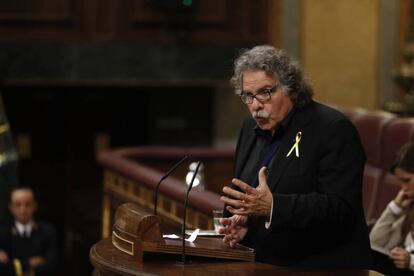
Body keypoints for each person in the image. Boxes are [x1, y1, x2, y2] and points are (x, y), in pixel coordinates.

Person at [219, 45, 372, 268]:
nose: (255, 106)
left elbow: (341, 208)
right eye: (248, 96)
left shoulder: (332, 129)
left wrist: (274, 206)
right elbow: (251, 199)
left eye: (265, 92)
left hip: (320, 266)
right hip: (265, 263)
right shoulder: (249, 128)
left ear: (290, 87)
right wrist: (246, 224)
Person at [370, 143, 414, 275]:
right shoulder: (409, 210)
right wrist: (394, 208)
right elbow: (375, 244)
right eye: (400, 182)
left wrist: (410, 261)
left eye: (407, 181)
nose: (403, 188)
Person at [0, 187, 57, 276]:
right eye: (17, 204)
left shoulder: (47, 231)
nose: (23, 210)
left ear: (35, 205)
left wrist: (12, 266)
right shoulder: (3, 233)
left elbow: (52, 265)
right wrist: (29, 263)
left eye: (28, 204)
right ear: (10, 207)